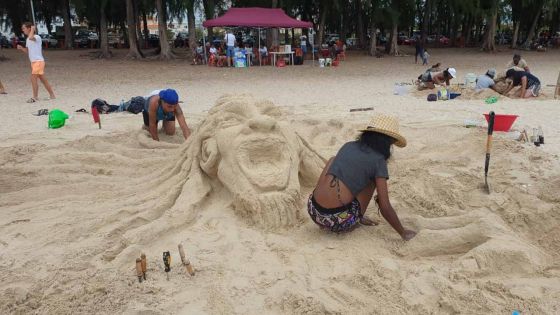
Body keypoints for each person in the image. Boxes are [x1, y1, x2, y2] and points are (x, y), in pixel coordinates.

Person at [308, 114, 416, 239]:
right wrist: (402, 232)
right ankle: (356, 216)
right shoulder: (378, 160)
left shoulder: (348, 145)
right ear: (388, 142)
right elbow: (384, 206)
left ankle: (347, 211)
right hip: (339, 221)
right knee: (373, 179)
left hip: (314, 211)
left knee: (333, 159)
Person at [17, 22, 56, 103]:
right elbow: (28, 51)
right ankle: (52, 95)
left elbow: (31, 37)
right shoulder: (28, 39)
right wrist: (21, 48)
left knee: (33, 78)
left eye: (24, 28)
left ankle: (35, 97)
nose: (23, 30)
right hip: (33, 62)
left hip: (38, 61)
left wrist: (33, 29)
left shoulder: (36, 37)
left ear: (29, 28)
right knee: (43, 80)